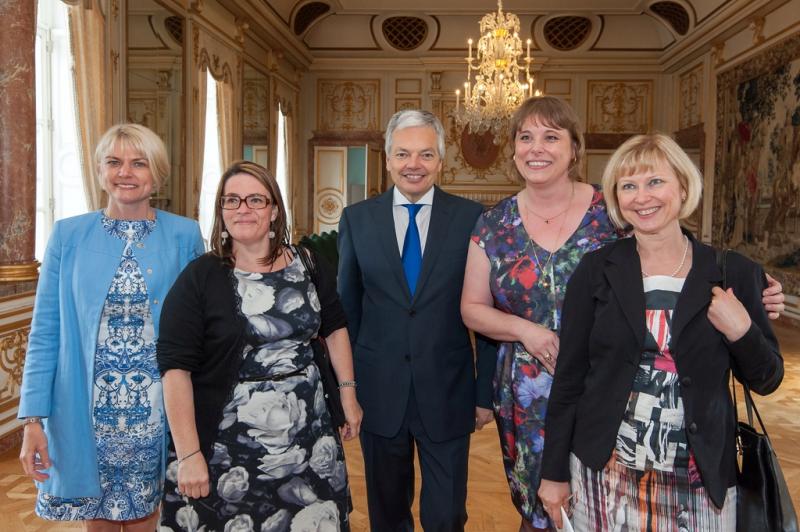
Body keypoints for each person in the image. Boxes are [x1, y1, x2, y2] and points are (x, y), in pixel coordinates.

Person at [459, 96, 786, 531]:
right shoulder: (510, 231)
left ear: (575, 148)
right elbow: (476, 309)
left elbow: (670, 245)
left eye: (551, 137)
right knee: (542, 514)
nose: (641, 197)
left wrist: (748, 313)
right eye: (526, 137)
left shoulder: (626, 218)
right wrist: (526, 333)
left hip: (681, 451)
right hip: (558, 414)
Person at [538, 132, 784, 530]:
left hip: (698, 479)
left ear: (683, 186)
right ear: (617, 198)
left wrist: (743, 331)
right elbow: (569, 381)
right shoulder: (596, 271)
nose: (642, 196)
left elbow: (768, 378)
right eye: (628, 186)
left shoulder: (732, 271)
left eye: (655, 182)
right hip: (605, 474)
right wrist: (553, 474)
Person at [18, 123, 204, 530]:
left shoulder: (184, 234)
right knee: (95, 519)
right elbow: (45, 331)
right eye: (114, 162)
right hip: (83, 408)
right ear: (99, 171)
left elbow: (198, 329)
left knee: (146, 517)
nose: (126, 172)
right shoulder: (68, 235)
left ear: (157, 173)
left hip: (154, 409)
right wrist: (32, 419)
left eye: (139, 163)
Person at [157, 160, 362, 531]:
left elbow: (335, 329)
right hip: (229, 448)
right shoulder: (200, 278)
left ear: (274, 210)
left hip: (309, 437)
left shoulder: (309, 263)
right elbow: (175, 370)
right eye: (231, 200)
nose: (243, 209)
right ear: (221, 211)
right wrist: (189, 454)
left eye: (255, 199)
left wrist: (348, 395)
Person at [337, 109, 495, 531]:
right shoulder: (357, 219)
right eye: (403, 153)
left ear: (441, 161)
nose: (414, 164)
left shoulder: (472, 218)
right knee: (387, 516)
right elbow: (346, 313)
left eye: (426, 154)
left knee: (446, 516)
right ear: (387, 159)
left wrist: (484, 394)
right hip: (378, 391)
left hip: (448, 390)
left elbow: (489, 312)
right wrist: (345, 390)